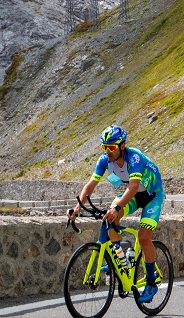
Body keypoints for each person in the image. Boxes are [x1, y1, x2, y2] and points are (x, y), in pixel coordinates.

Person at [68, 125, 167, 303]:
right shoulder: (104, 160)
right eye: (104, 147)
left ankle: (151, 282)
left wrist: (118, 208)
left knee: (144, 237)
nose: (108, 151)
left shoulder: (134, 157)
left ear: (122, 146)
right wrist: (77, 208)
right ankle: (121, 259)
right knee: (109, 216)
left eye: (111, 147)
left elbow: (134, 186)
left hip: (153, 194)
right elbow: (90, 186)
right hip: (135, 195)